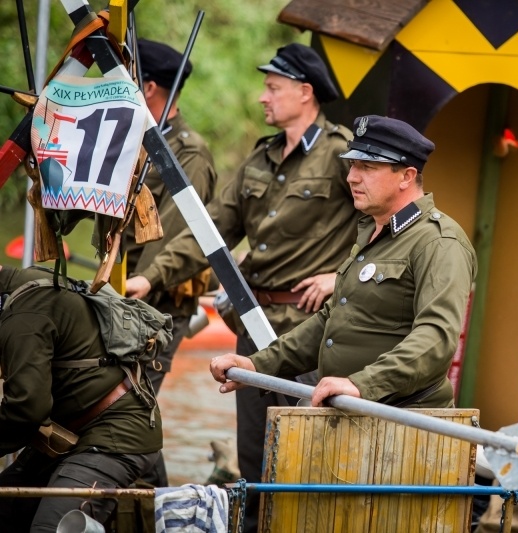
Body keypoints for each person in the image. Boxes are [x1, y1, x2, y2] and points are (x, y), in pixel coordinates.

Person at [125, 43, 358, 531]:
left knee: (310, 454)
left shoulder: (342, 154)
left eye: (273, 89)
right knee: (254, 456)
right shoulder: (261, 157)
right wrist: (152, 275)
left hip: (311, 329)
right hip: (253, 326)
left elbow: (382, 222)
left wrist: (340, 276)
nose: (261, 98)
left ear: (305, 92)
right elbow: (208, 229)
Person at [210, 115, 477, 412]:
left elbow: (435, 339)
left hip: (403, 420)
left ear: (406, 176)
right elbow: (330, 320)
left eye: (368, 167)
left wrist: (362, 384)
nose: (352, 177)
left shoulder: (439, 242)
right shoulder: (374, 232)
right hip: (354, 411)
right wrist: (257, 364)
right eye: (352, 165)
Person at [0, 265, 164, 532]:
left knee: (52, 528)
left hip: (115, 438)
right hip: (68, 434)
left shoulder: (23, 312)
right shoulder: (23, 283)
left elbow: (26, 410)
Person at [126, 38, 218, 396]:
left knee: (131, 405)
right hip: (121, 291)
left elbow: (171, 231)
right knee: (123, 410)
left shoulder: (187, 153)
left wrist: (138, 290)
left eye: (128, 78)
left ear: (148, 87)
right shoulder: (132, 141)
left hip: (154, 302)